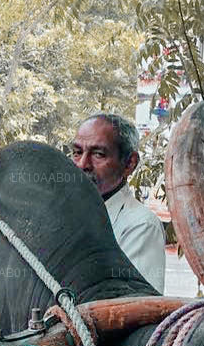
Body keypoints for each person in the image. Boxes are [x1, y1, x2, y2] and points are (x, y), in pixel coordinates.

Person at [70, 113, 166, 292]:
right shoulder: (64, 214)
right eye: (77, 152)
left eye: (98, 154)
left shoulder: (141, 225)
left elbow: (138, 308)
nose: (82, 164)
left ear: (129, 163)